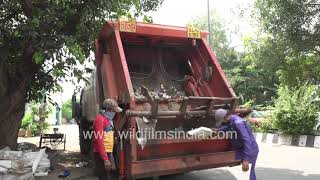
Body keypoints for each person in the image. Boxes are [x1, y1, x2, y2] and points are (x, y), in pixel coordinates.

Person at [214, 109, 259, 180]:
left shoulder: (238, 123)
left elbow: (247, 140)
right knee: (243, 175)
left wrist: (246, 159)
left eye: (222, 121)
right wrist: (218, 131)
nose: (222, 123)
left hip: (249, 150)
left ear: (225, 117)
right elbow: (228, 128)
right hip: (241, 150)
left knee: (249, 175)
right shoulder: (232, 121)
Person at [93, 98, 123, 180]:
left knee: (111, 175)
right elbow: (99, 141)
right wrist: (105, 159)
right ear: (108, 109)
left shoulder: (108, 119)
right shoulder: (100, 119)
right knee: (104, 177)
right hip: (101, 154)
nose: (114, 113)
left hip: (108, 151)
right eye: (113, 111)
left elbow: (108, 133)